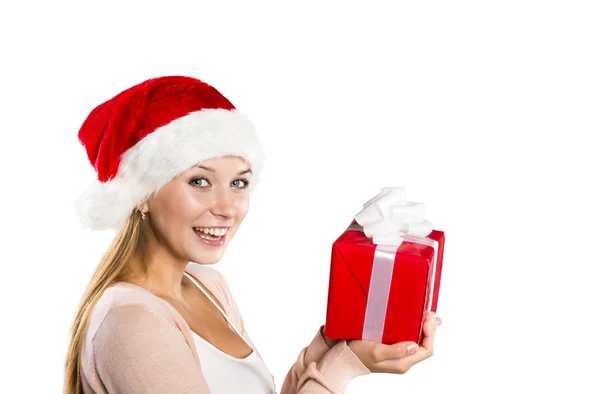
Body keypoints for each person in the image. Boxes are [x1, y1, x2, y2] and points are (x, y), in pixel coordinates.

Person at [63, 75, 442, 394]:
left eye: (239, 182)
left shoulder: (208, 284)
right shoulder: (130, 323)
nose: (227, 208)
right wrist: (343, 367)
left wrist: (335, 343)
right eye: (200, 181)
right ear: (142, 194)